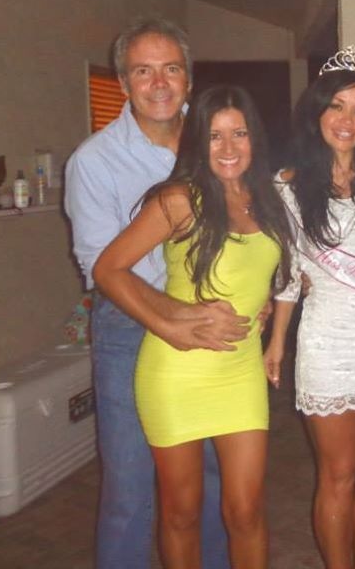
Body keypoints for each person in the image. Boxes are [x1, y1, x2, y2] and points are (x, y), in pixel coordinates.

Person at [65, 18, 247, 569]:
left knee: (210, 476)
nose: (160, 83)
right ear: (123, 83)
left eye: (171, 69)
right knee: (131, 485)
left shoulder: (221, 143)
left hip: (211, 320)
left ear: (189, 77)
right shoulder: (93, 161)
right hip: (130, 325)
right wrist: (178, 317)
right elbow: (101, 267)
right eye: (143, 71)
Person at [92, 84, 291, 568]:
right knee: (181, 512)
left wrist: (264, 300)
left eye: (239, 133)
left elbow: (262, 269)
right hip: (176, 375)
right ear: (197, 142)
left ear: (254, 137)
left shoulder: (267, 198)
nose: (228, 148)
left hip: (240, 374)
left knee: (246, 511)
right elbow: (108, 269)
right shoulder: (179, 199)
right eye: (214, 136)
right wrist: (169, 324)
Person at [264, 47, 355, 569]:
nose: (347, 120)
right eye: (337, 106)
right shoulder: (287, 186)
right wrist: (277, 342)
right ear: (317, 112)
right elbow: (287, 274)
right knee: (337, 476)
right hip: (327, 346)